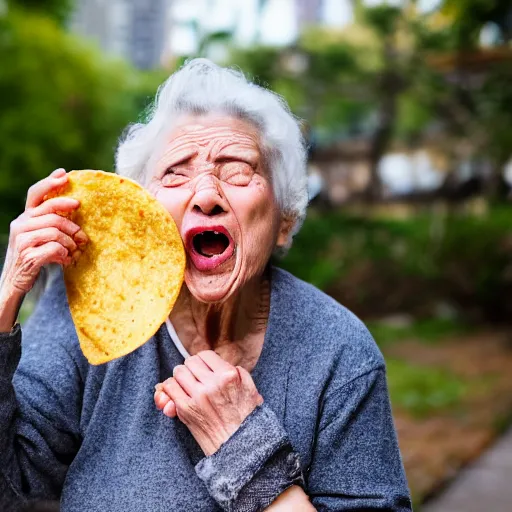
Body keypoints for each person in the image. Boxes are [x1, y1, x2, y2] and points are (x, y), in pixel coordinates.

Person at [0, 59, 412, 511]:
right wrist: (5, 300)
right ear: (144, 213)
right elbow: (13, 483)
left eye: (237, 169)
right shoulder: (85, 308)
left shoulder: (338, 352)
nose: (206, 195)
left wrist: (247, 452)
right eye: (175, 172)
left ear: (284, 219)